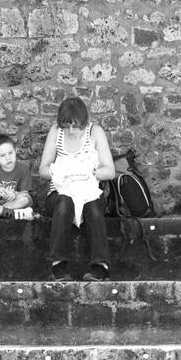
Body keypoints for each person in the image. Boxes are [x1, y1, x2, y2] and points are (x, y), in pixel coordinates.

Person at [37, 96, 116, 281]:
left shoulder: (95, 132)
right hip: (60, 192)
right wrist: (60, 171)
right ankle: (58, 265)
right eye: (66, 125)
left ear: (84, 121)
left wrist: (90, 172)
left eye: (76, 126)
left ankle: (100, 266)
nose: (71, 130)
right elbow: (43, 169)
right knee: (64, 204)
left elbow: (110, 171)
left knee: (94, 209)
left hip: (88, 190)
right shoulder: (56, 132)